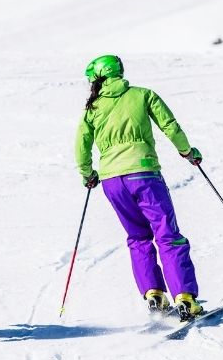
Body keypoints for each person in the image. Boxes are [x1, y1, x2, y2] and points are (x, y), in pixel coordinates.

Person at [74, 55, 204, 321]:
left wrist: (88, 174)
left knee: (138, 238)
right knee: (167, 235)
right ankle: (186, 299)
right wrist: (187, 152)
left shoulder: (92, 108)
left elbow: (81, 145)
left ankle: (154, 294)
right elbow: (170, 126)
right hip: (143, 174)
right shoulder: (143, 95)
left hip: (112, 181)